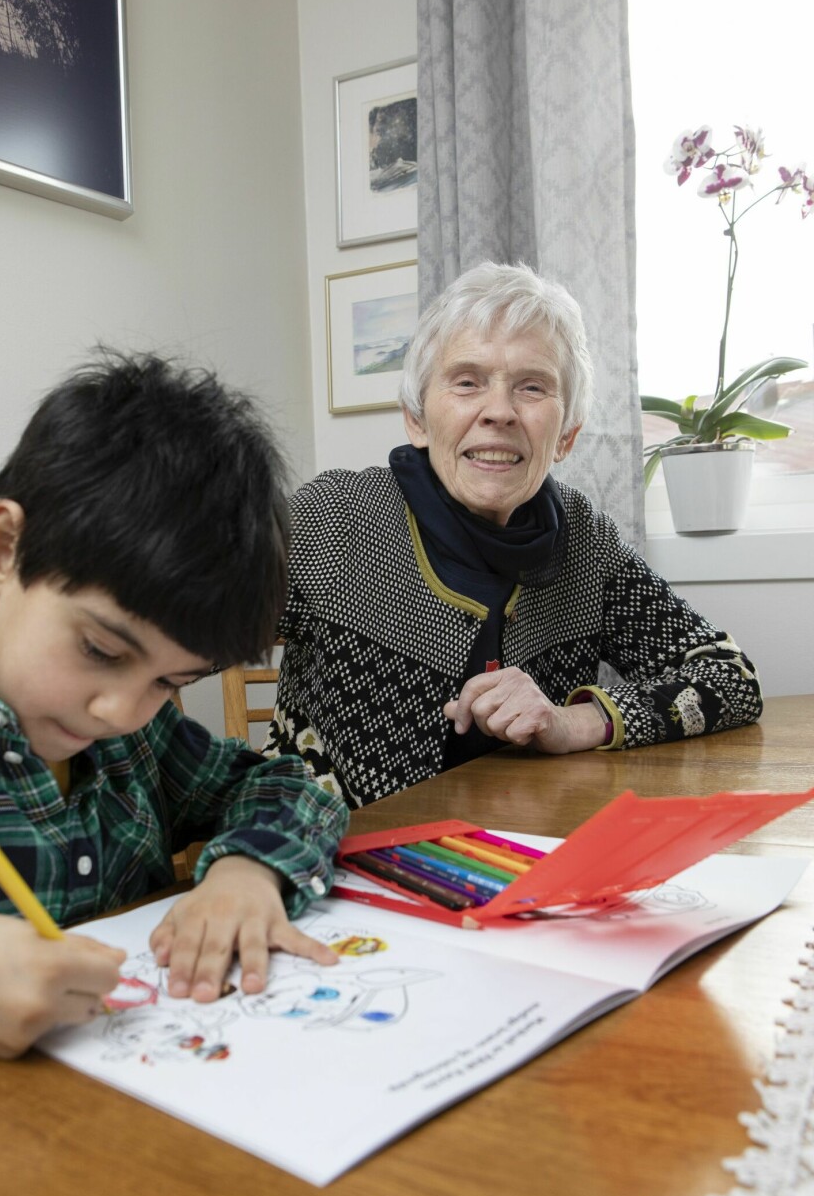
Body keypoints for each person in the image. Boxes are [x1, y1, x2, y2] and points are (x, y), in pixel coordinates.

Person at [0, 353, 347, 1081]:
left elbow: (292, 788)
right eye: (98, 648)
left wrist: (245, 871)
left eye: (169, 681)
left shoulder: (138, 738)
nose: (121, 710)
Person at [264, 262, 762, 807]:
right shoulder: (332, 520)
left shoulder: (585, 541)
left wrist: (573, 722)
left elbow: (729, 677)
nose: (498, 412)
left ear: (566, 434)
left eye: (532, 387)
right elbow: (169, 630)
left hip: (525, 855)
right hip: (329, 864)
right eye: (467, 382)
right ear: (417, 418)